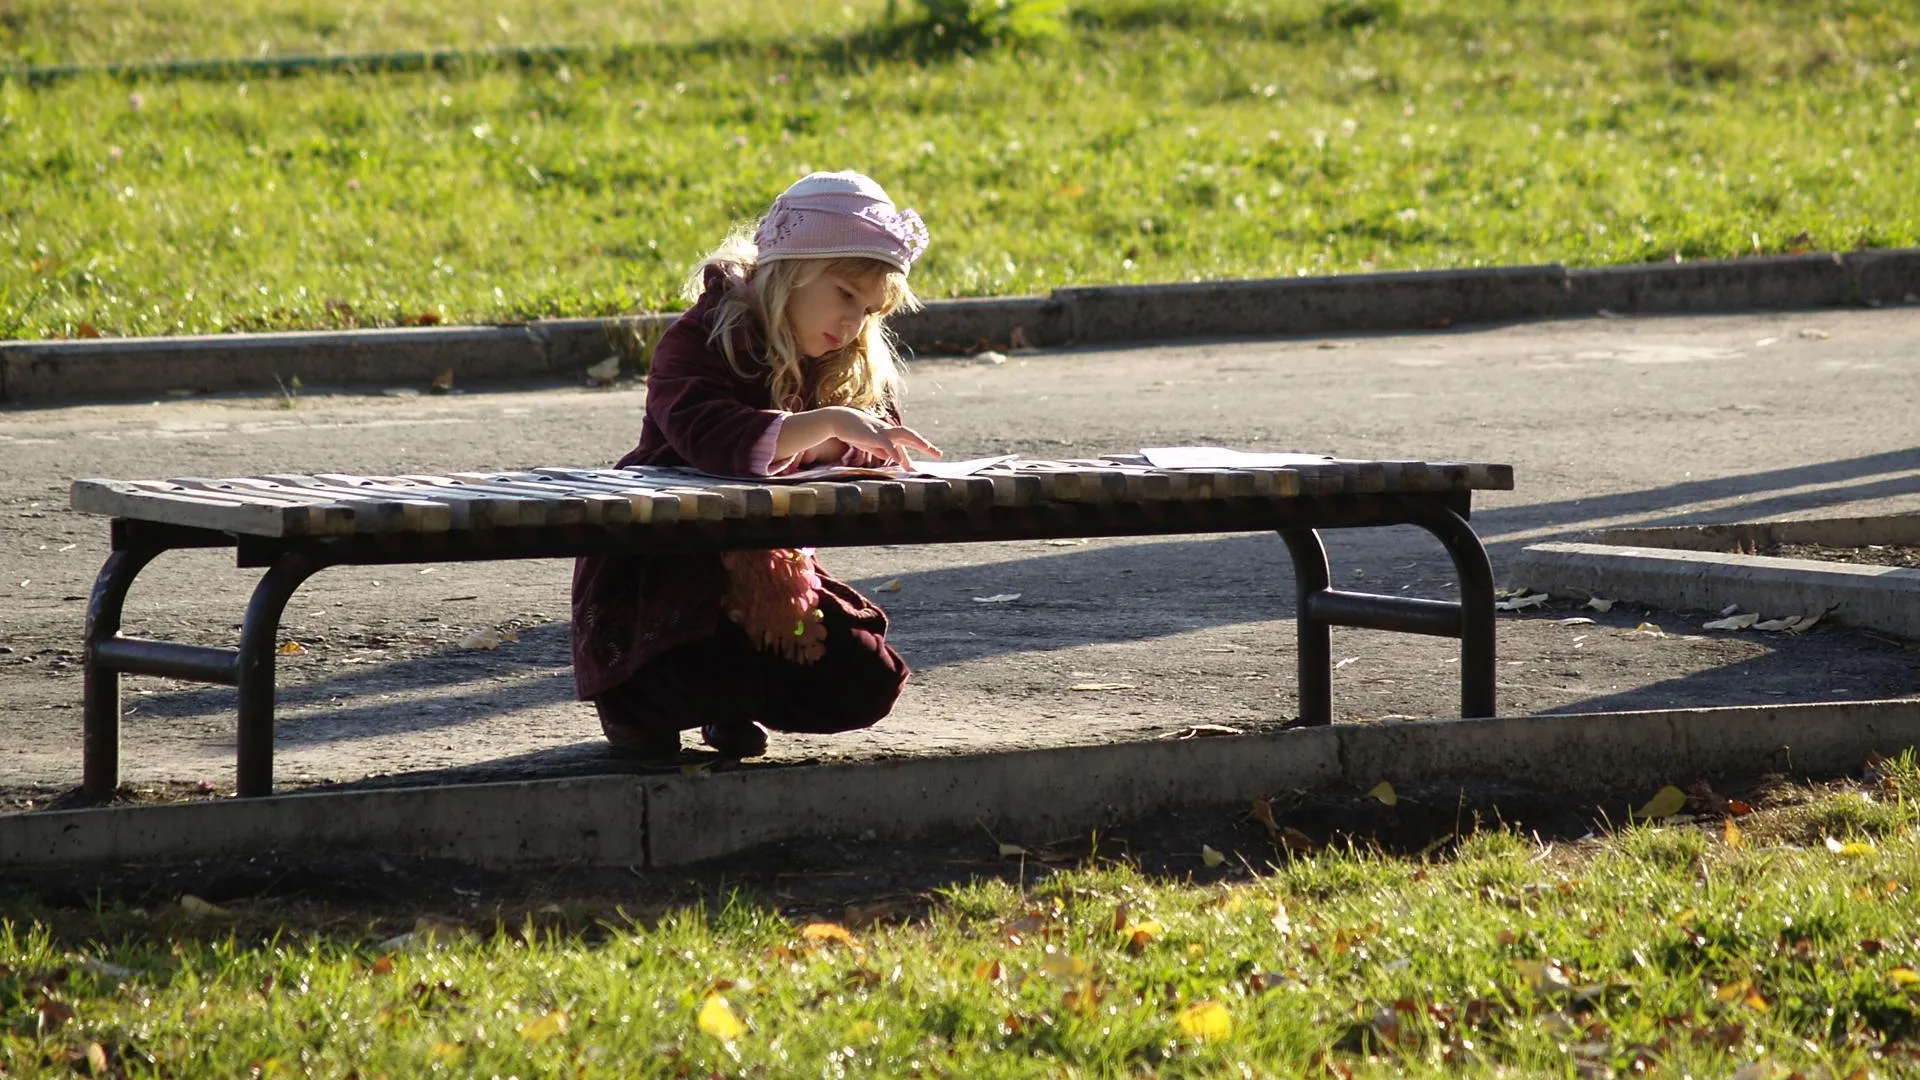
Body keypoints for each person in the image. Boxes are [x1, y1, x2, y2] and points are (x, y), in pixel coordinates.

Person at [571, 171, 941, 760]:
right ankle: (635, 702)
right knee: (699, 665)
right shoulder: (700, 339)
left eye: (869, 310)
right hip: (666, 568)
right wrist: (825, 427)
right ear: (791, 269)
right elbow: (710, 435)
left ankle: (728, 699)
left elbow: (876, 438)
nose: (853, 323)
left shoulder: (842, 357)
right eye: (846, 294)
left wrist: (833, 435)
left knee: (867, 680)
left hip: (772, 575)